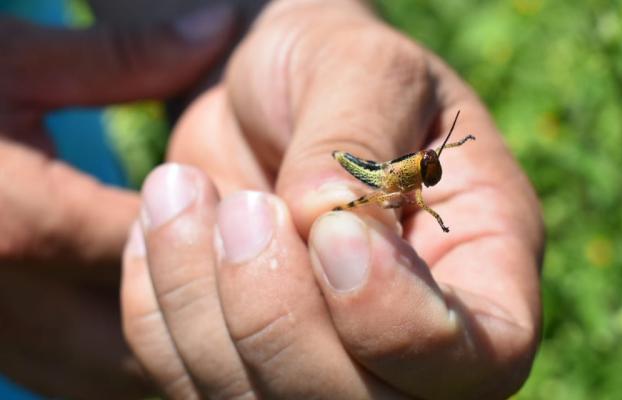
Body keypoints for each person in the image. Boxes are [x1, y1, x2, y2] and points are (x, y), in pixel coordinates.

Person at [2, 0, 545, 398]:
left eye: (429, 166)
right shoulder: (399, 181)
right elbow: (383, 186)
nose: (430, 170)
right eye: (428, 164)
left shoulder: (412, 182)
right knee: (341, 204)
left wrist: (283, 18)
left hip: (76, 162)